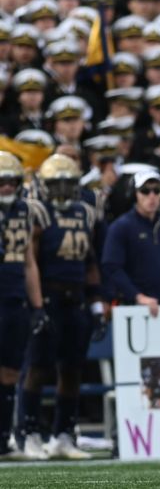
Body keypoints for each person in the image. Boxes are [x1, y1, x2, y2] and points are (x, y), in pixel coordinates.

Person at [19, 155, 101, 460]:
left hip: (76, 299)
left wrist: (96, 303)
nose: (64, 190)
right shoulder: (38, 213)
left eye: (69, 183)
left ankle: (63, 434)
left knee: (73, 369)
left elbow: (90, 261)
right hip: (49, 298)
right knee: (38, 368)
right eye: (58, 183)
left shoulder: (85, 212)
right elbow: (32, 262)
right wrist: (37, 305)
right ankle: (28, 432)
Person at [0, 151, 45, 459]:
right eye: (1, 182)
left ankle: (3, 440)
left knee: (10, 372)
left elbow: (29, 263)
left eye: (11, 182)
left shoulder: (23, 212)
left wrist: (38, 306)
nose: (6, 187)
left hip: (15, 300)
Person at [102, 169, 160, 318]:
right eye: (145, 191)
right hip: (133, 309)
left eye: (156, 191)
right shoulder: (121, 227)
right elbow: (111, 267)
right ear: (135, 194)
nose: (151, 196)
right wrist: (137, 296)